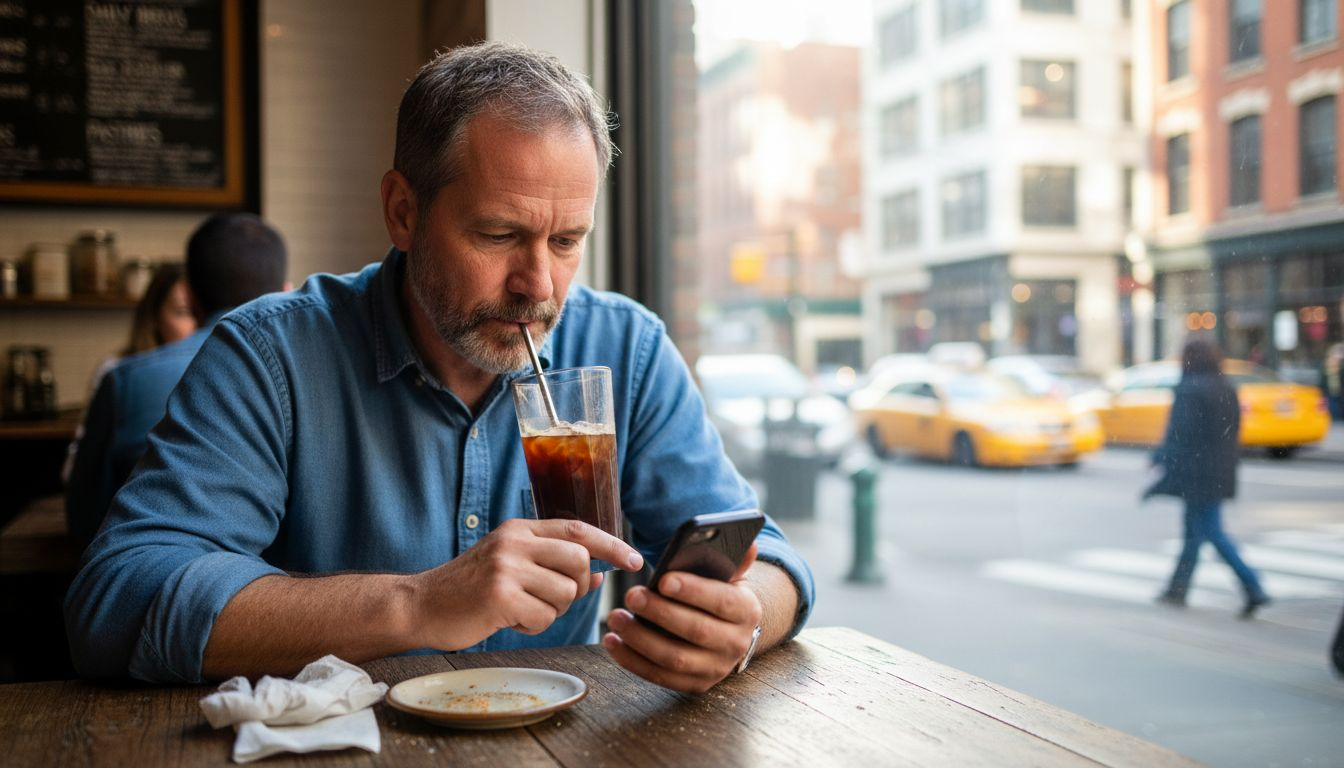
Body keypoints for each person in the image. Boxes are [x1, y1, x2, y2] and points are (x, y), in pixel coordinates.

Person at [64, 42, 814, 694]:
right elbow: (115, 600)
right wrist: (417, 603)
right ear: (402, 211)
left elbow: (766, 556)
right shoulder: (273, 356)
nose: (539, 286)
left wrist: (744, 624)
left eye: (565, 242)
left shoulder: (626, 349)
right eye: (499, 234)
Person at [64, 213, 288, 543]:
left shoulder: (125, 382)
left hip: (155, 581)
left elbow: (85, 520)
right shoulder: (314, 378)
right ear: (286, 293)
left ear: (190, 296)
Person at [1145, 338, 1270, 618]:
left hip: (1197, 473)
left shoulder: (1189, 389)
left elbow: (1180, 433)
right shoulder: (1226, 388)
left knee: (1209, 531)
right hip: (1220, 470)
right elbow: (1232, 431)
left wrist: (1161, 458)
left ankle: (1252, 584)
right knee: (1194, 531)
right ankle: (1178, 588)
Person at [60, 263, 198, 483]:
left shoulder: (221, 372)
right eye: (184, 313)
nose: (198, 327)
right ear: (154, 317)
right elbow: (77, 471)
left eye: (202, 314)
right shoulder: (118, 372)